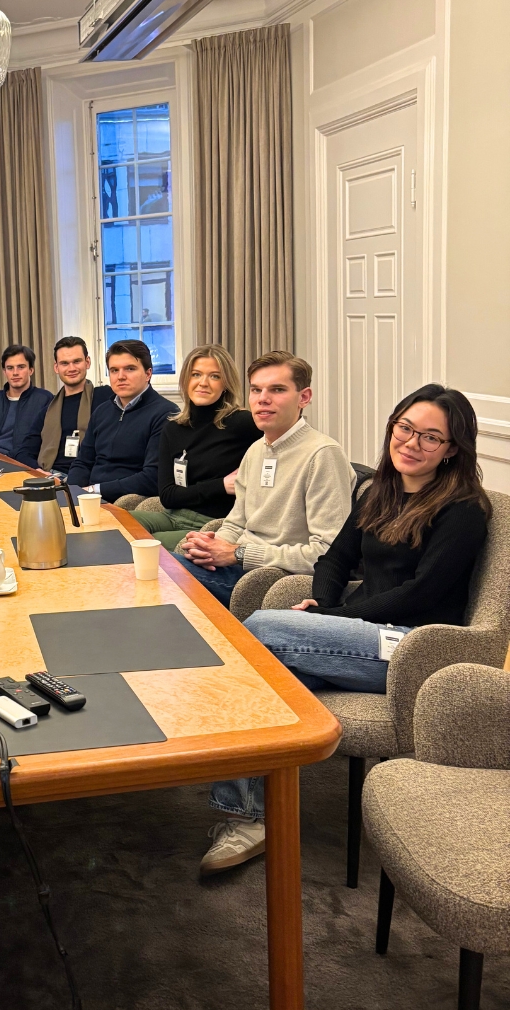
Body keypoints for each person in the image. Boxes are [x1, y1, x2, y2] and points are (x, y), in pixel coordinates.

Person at [201, 384, 492, 875]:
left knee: (259, 631)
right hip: (363, 631)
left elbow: (419, 596)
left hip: (414, 646)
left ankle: (242, 808)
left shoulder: (463, 511)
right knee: (264, 681)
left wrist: (331, 619)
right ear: (392, 426)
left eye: (430, 437)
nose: (412, 443)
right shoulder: (381, 489)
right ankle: (249, 817)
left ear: (452, 450)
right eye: (405, 428)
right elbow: (336, 556)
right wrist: (324, 600)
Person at [173, 351, 354, 610]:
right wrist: (211, 546)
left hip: (273, 580)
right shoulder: (256, 449)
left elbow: (326, 553)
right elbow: (236, 523)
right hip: (239, 567)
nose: (262, 400)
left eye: (277, 390)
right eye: (256, 390)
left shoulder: (323, 455)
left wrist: (238, 554)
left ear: (304, 397)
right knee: (156, 568)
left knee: (161, 576)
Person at [132, 344, 261, 550]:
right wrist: (220, 486)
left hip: (214, 524)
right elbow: (167, 495)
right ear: (186, 380)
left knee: (151, 546)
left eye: (214, 376)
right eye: (196, 374)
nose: (203, 383)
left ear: (225, 384)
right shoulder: (173, 428)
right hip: (172, 515)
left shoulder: (243, 423)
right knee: (116, 524)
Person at [66, 339, 178, 502]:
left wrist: (94, 491)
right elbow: (83, 462)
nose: (121, 376)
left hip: (129, 501)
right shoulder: (101, 411)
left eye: (130, 369)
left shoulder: (166, 413)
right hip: (90, 499)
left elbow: (152, 478)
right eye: (114, 370)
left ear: (148, 374)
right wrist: (71, 492)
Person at [36, 336, 113, 475]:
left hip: (88, 476)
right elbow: (24, 450)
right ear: (56, 367)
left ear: (87, 362)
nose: (71, 368)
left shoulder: (106, 397)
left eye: (77, 361)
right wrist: (38, 472)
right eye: (64, 363)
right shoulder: (48, 409)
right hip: (49, 474)